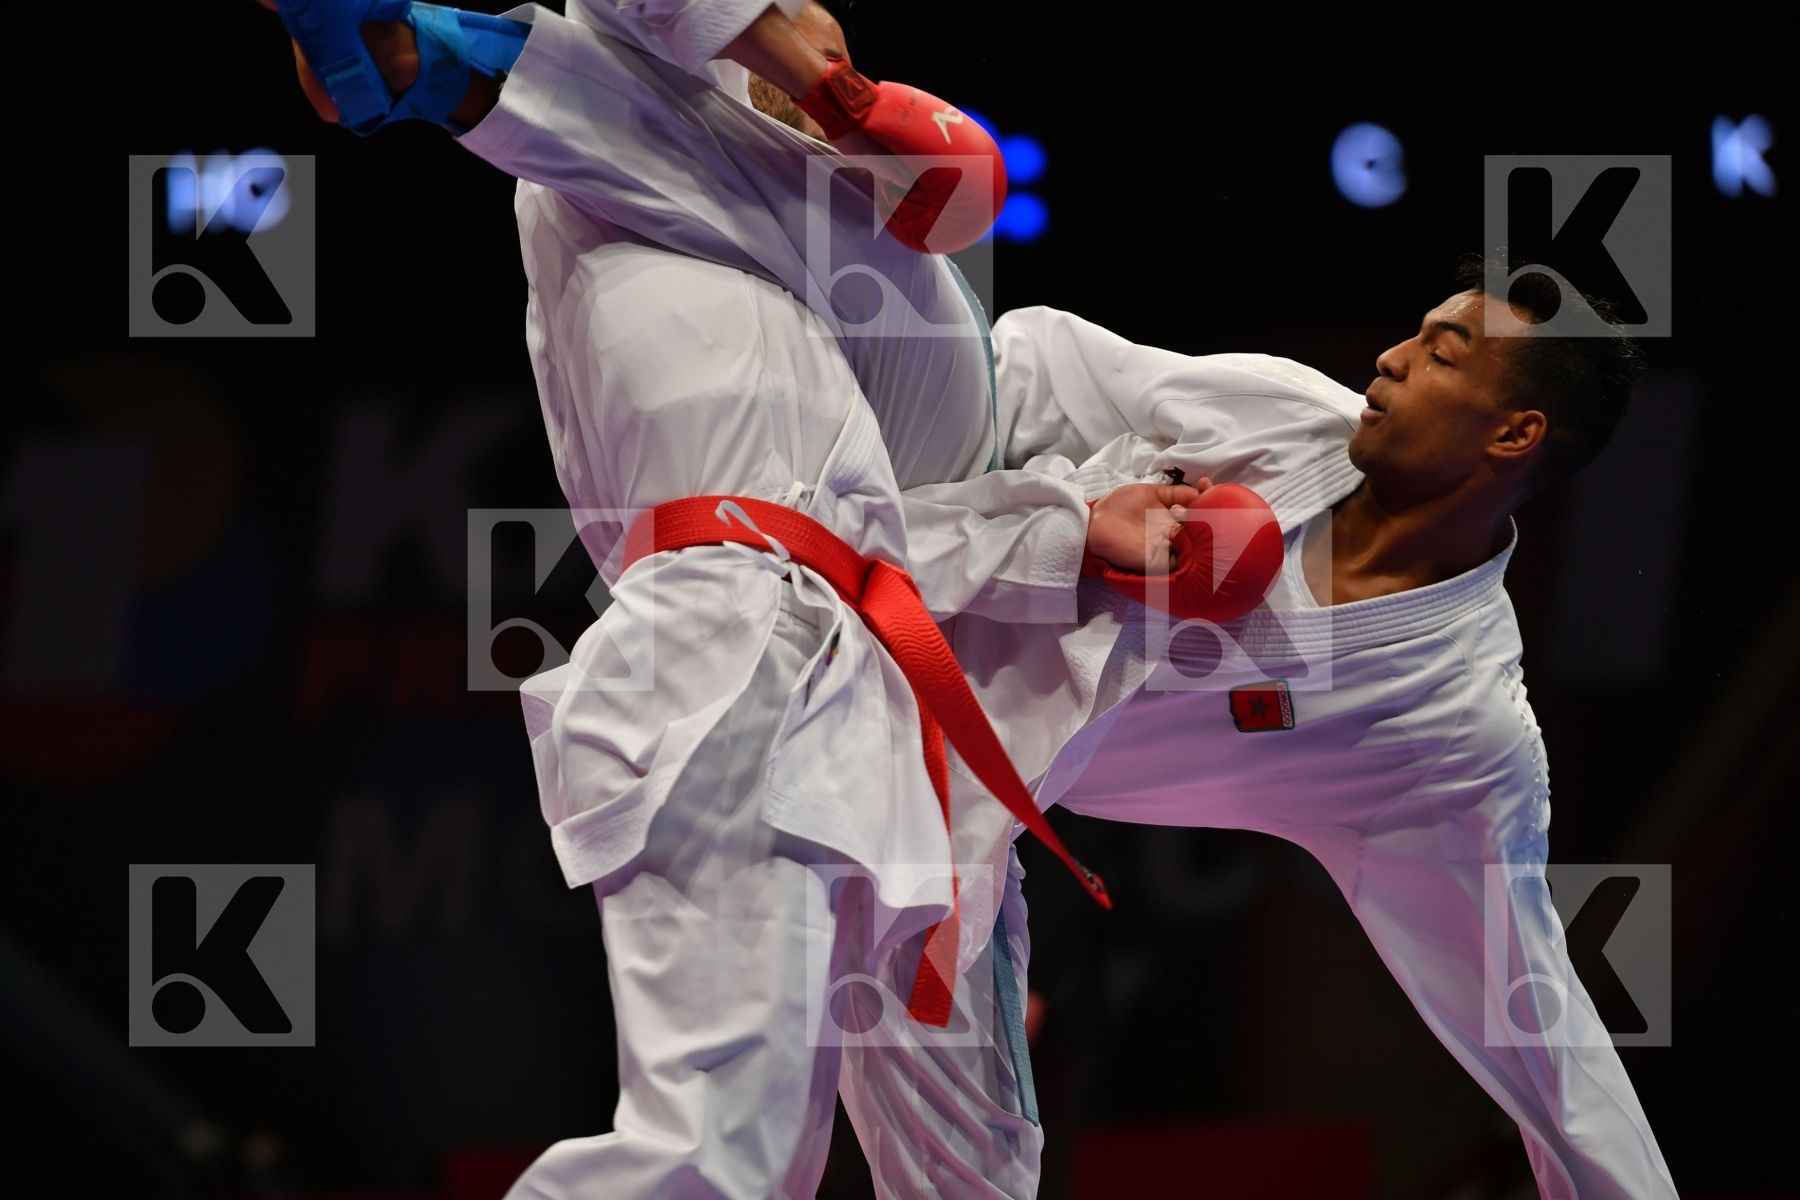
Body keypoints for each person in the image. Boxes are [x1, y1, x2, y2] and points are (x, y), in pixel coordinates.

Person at [270, 3, 1677, 1194]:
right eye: (1416, 330)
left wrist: (1074, 537)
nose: (1391, 355)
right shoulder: (1286, 421)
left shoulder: (1444, 734)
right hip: (893, 501)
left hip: (947, 798)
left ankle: (500, 61)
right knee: (885, 248)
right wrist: (1080, 520)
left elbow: (1540, 1026)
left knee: (975, 1174)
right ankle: (455, 63)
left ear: (1516, 439)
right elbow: (1041, 377)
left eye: (1442, 355)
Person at [267, 2, 1207, 1197]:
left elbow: (928, 498)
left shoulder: (832, 242)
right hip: (737, 633)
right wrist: (818, 76)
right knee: (715, 1158)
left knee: (965, 1176)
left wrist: (1078, 519)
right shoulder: (636, 133)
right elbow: (457, 58)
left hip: (876, 690)